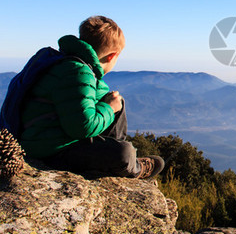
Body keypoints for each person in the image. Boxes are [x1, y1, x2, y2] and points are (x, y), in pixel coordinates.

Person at [16, 15, 164, 179]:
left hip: (46, 140)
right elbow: (82, 127)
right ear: (112, 56)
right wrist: (109, 107)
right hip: (51, 151)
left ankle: (113, 154)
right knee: (123, 151)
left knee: (115, 102)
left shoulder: (64, 63)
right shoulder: (79, 72)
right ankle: (128, 167)